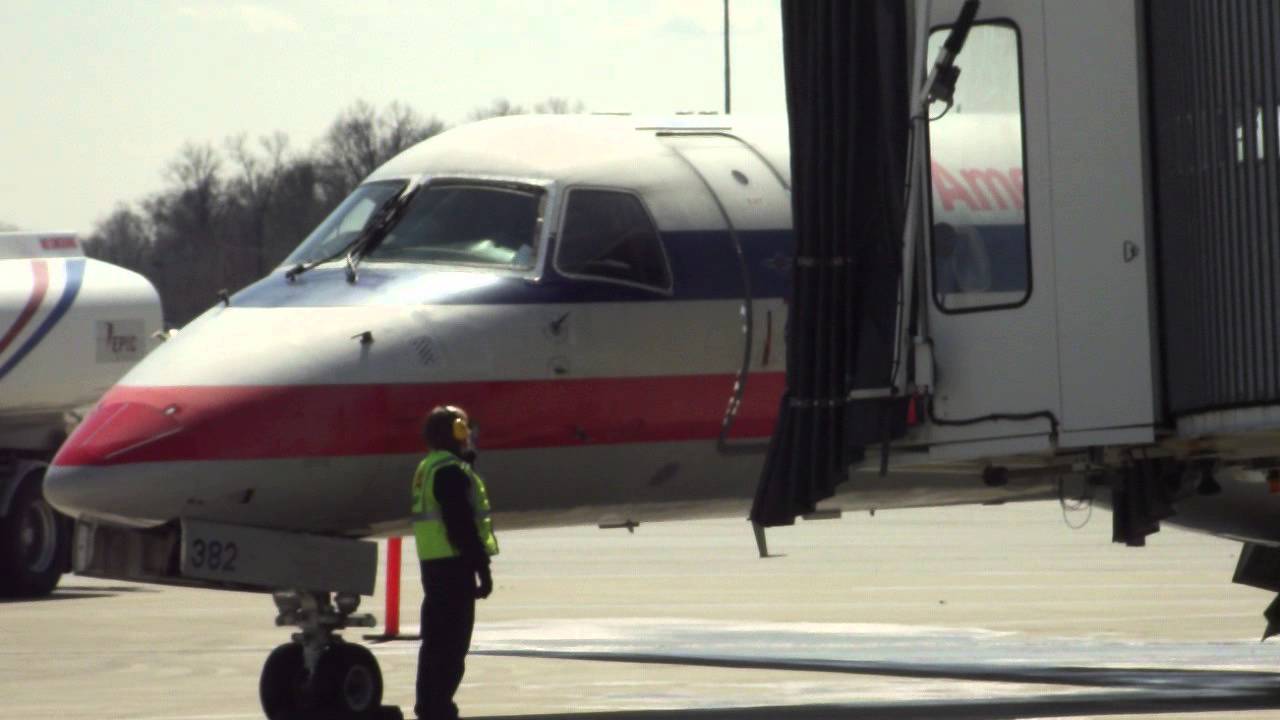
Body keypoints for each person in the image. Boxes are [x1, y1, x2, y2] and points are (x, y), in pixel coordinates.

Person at [411, 405, 499, 720]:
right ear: (457, 432)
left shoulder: (430, 466)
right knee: (451, 646)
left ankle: (429, 706)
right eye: (464, 430)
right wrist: (482, 569)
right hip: (454, 567)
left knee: (434, 643)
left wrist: (467, 461)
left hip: (434, 566)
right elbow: (461, 525)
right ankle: (439, 709)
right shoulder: (451, 471)